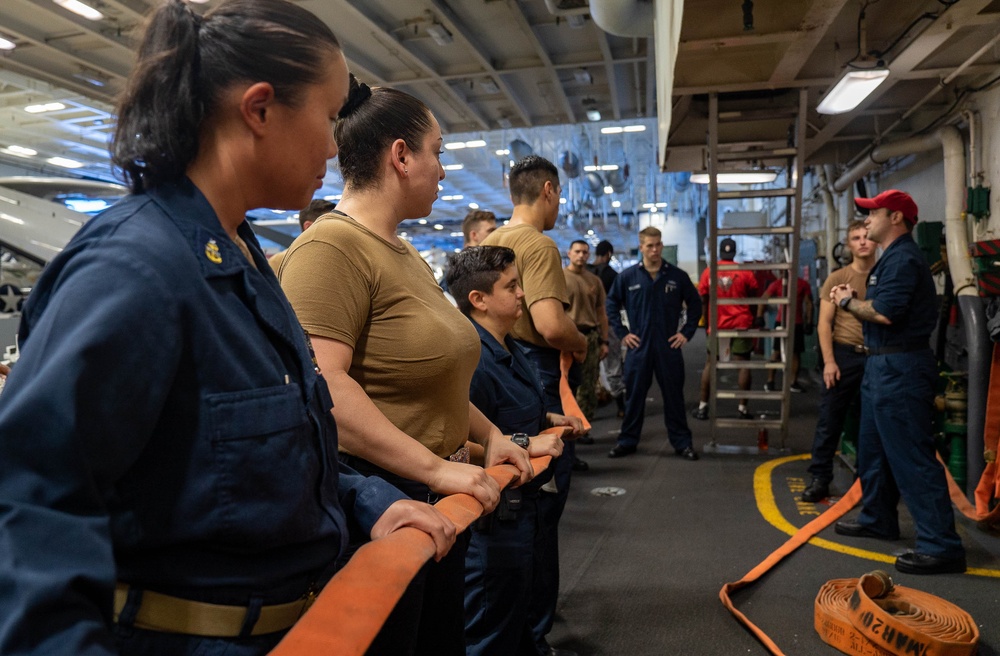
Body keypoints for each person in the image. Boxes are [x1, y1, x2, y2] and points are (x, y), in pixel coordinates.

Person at [0, 2, 456, 654]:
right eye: (327, 118)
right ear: (259, 109)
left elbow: (263, 450)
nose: (334, 147)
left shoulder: (240, 255)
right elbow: (31, 507)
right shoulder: (136, 269)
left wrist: (365, 500)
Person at [277, 76, 532, 654]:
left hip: (436, 494)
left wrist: (489, 436)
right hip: (383, 502)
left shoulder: (401, 248)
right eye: (436, 152)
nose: (442, 170)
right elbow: (325, 388)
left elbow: (430, 377)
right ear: (401, 156)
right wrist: (435, 470)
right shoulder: (331, 248)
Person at [446, 246, 582, 656]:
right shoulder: (472, 358)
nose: (523, 293)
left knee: (520, 614)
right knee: (491, 630)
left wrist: (549, 419)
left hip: (526, 510)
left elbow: (511, 411)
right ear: (479, 299)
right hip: (495, 523)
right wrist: (524, 442)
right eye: (511, 286)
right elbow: (454, 445)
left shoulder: (507, 345)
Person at [480, 155, 587, 656]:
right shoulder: (539, 244)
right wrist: (582, 343)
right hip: (536, 371)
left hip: (496, 365)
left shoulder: (490, 241)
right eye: (559, 195)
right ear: (548, 191)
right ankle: (534, 633)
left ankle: (514, 621)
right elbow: (550, 325)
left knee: (511, 503)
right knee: (542, 509)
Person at [831, 190, 965, 575]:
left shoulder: (903, 258)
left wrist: (846, 302)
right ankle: (878, 517)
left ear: (896, 218)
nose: (866, 220)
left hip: (900, 368)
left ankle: (941, 546)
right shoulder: (889, 258)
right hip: (881, 365)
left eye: (873, 213)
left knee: (912, 457)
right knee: (873, 450)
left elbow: (886, 313)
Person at [606, 227, 701, 459]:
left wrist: (686, 333)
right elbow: (611, 304)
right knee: (634, 397)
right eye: (650, 245)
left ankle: (682, 443)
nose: (655, 249)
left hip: (668, 346)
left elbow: (696, 304)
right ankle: (627, 441)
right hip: (639, 347)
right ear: (641, 247)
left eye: (658, 244)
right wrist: (623, 333)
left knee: (674, 397)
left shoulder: (677, 276)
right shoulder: (628, 277)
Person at [801, 220, 875, 502]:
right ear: (848, 245)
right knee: (830, 418)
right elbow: (824, 324)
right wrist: (829, 362)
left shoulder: (884, 276)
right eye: (856, 238)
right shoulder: (837, 278)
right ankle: (820, 478)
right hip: (844, 355)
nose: (863, 242)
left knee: (872, 422)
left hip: (877, 356)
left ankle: (865, 483)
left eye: (866, 236)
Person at [695, 237, 759, 420]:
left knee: (711, 364)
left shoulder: (709, 272)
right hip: (741, 322)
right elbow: (753, 298)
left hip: (718, 324)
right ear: (735, 252)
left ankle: (703, 407)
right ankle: (742, 409)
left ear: (720, 252)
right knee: (743, 364)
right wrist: (752, 319)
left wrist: (707, 323)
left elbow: (704, 300)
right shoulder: (745, 272)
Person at [564, 239, 609, 425]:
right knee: (565, 384)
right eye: (577, 251)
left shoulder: (594, 281)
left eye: (584, 252)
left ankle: (584, 425)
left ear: (589, 255)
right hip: (566, 337)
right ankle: (568, 425)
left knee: (588, 382)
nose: (581, 255)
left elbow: (601, 313)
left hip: (590, 336)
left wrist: (604, 341)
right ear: (569, 253)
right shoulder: (559, 278)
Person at [759, 271, 814, 393]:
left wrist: (760, 315)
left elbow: (808, 303)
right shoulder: (780, 284)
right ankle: (773, 382)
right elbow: (808, 304)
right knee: (782, 352)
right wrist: (759, 316)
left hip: (794, 323)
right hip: (786, 322)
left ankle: (780, 382)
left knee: (789, 353)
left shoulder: (800, 284)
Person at [589, 240, 626, 417]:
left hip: (586, 327)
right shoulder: (613, 275)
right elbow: (620, 302)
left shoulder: (585, 273)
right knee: (613, 366)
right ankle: (621, 407)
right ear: (609, 254)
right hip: (608, 325)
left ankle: (587, 410)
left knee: (587, 369)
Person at [267, 197, 335, 273]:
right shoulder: (279, 262)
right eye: (329, 225)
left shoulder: (335, 259)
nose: (335, 230)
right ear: (308, 227)